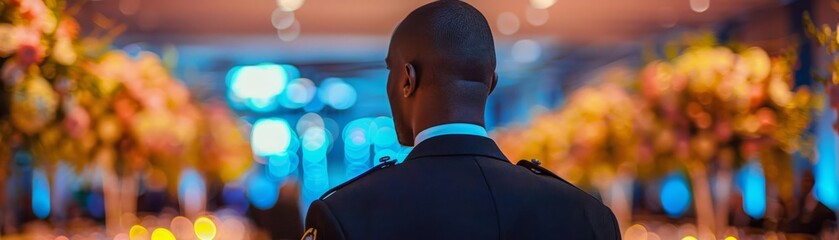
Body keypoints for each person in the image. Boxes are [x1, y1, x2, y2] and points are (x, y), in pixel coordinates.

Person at [302, 1, 620, 239]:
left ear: (406, 80)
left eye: (391, 70)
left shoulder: (347, 213)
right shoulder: (587, 215)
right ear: (492, 83)